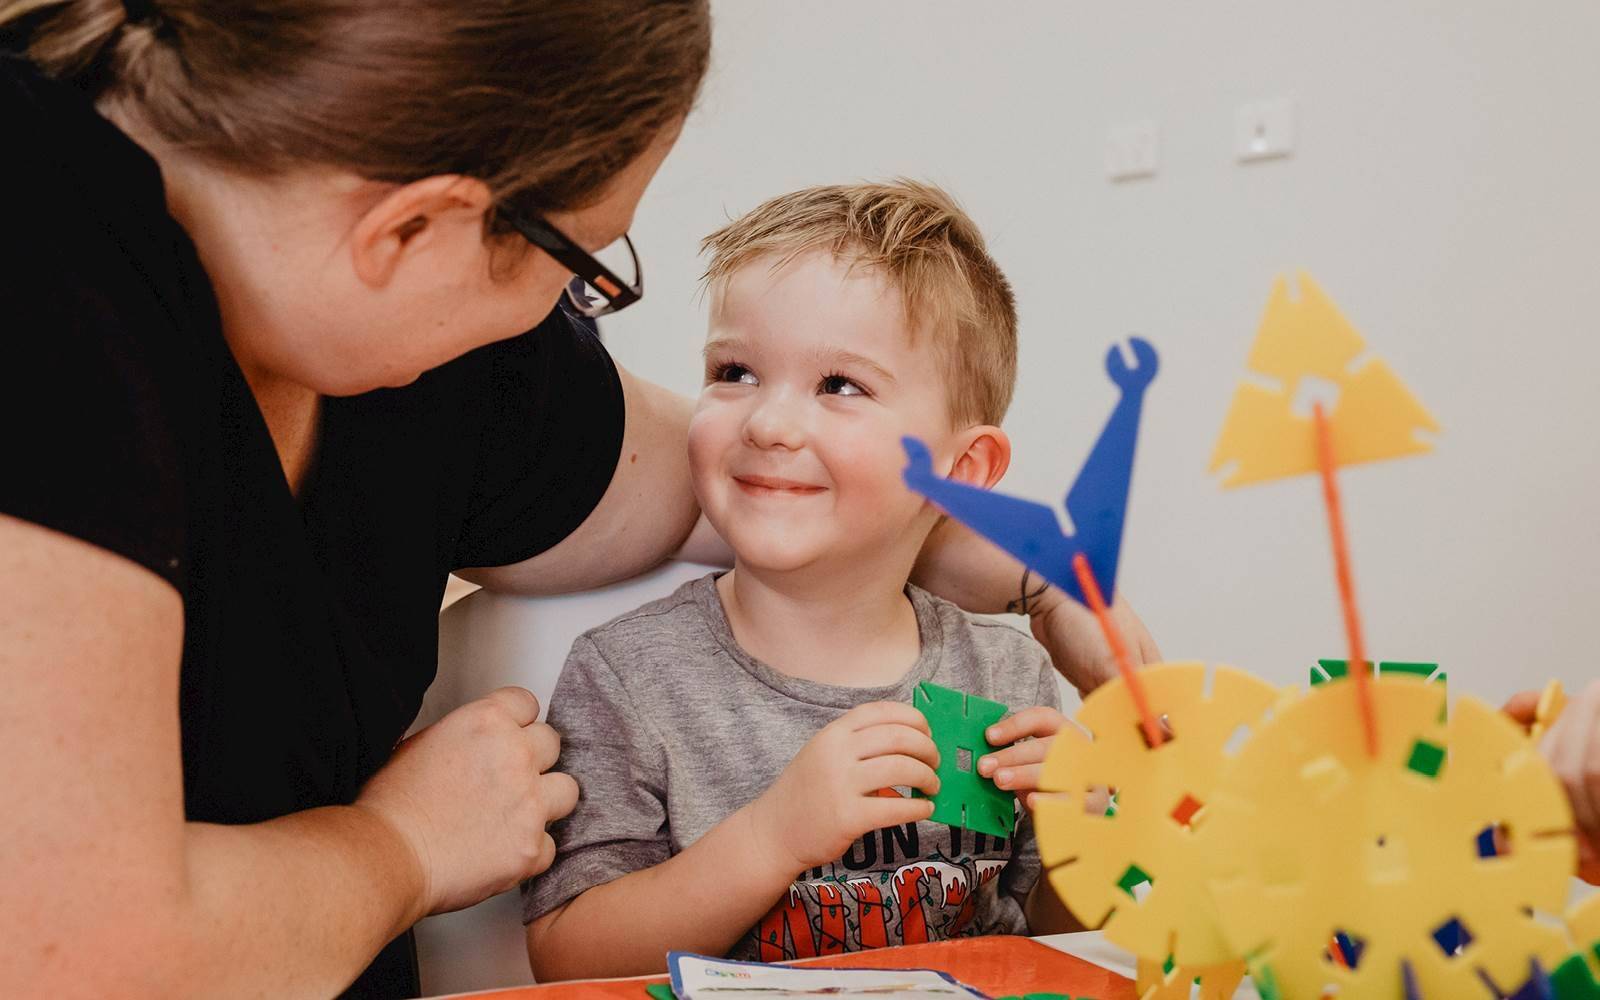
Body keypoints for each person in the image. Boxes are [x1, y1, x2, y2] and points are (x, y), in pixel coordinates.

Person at [0, 2, 1154, 995]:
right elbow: (85, 955)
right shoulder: (45, 259)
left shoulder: (459, 377)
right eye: (588, 263)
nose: (563, 317)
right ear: (413, 229)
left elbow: (734, 486)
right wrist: (398, 849)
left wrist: (1034, 578)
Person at [523, 182, 1086, 980]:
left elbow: (1038, 947)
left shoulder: (1008, 677)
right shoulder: (630, 676)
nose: (767, 422)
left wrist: (1078, 851)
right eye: (736, 370)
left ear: (961, 470)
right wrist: (775, 836)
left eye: (839, 385)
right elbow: (568, 960)